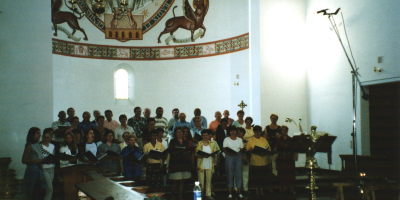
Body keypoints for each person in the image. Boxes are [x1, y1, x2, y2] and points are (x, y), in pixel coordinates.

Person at [246, 125, 271, 196]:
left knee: (262, 178)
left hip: (263, 162)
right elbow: (248, 150)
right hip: (254, 162)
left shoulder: (264, 140)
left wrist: (265, 151)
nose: (257, 132)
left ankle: (262, 191)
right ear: (254, 132)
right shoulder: (251, 140)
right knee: (256, 178)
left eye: (259, 131)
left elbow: (269, 149)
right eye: (256, 131)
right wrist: (251, 150)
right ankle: (257, 191)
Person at [169, 127, 192, 200]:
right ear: (175, 133)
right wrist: (179, 151)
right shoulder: (173, 141)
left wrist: (188, 152)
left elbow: (189, 151)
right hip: (175, 163)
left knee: (182, 181)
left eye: (181, 132)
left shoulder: (186, 142)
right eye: (178, 132)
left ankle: (180, 196)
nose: (179, 133)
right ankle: (172, 196)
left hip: (184, 163)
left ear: (183, 133)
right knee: (175, 181)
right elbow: (171, 151)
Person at [21, 127, 45, 199]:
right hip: (32, 170)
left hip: (39, 170)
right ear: (32, 134)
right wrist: (37, 161)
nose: (39, 135)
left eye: (40, 133)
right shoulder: (29, 145)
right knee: (32, 191)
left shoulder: (37, 145)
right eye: (37, 133)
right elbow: (23, 160)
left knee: (38, 190)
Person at [195, 129, 219, 199]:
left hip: (209, 164)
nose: (205, 137)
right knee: (201, 181)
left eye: (206, 135)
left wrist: (212, 154)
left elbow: (214, 154)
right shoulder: (199, 143)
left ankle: (208, 194)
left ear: (209, 136)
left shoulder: (212, 144)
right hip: (201, 165)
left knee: (209, 180)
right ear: (202, 136)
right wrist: (203, 155)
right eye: (203, 135)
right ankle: (201, 195)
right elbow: (196, 154)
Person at [223, 126, 244, 199]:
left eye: (234, 131)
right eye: (231, 131)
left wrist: (237, 152)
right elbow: (224, 149)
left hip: (238, 156)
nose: (233, 132)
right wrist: (230, 153)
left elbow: (241, 148)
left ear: (236, 132)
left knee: (238, 174)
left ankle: (239, 192)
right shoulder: (226, 139)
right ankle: (230, 193)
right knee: (230, 174)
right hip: (229, 157)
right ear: (229, 132)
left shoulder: (239, 139)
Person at [276, 125, 296, 194]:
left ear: (287, 131)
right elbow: (276, 149)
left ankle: (292, 188)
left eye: (285, 130)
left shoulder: (291, 139)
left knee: (291, 174)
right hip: (281, 158)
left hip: (289, 158)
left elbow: (294, 148)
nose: (283, 131)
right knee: (282, 174)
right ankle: (282, 188)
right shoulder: (278, 139)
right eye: (282, 130)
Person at [39, 131, 55, 200]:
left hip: (52, 167)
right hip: (44, 168)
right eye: (44, 137)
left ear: (50, 138)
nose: (46, 139)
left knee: (49, 188)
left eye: (48, 137)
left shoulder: (52, 146)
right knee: (50, 187)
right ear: (42, 137)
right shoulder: (39, 146)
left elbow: (54, 156)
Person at [236, 127, 249, 195]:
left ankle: (245, 189)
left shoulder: (246, 141)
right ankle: (237, 189)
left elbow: (248, 150)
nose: (239, 133)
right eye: (238, 132)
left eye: (241, 132)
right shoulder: (234, 141)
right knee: (236, 175)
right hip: (236, 159)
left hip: (245, 159)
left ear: (243, 133)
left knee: (245, 175)